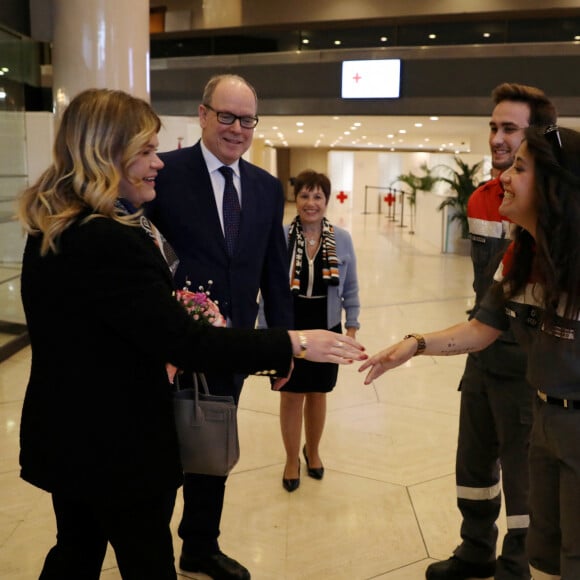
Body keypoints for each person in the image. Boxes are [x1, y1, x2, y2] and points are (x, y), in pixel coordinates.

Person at [16, 88, 367, 580]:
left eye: (249, 120)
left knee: (76, 547)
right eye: (145, 151)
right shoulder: (108, 237)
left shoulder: (54, 227)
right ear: (106, 155)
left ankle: (201, 544)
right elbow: (182, 338)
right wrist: (293, 342)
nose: (155, 163)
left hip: (74, 428)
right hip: (117, 438)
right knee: (140, 557)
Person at [360, 124, 580, 580]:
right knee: (546, 556)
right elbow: (482, 329)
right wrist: (415, 345)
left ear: (553, 185)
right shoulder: (520, 257)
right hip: (546, 425)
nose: (504, 175)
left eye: (520, 168)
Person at [145, 73, 293, 580]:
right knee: (164, 455)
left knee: (213, 449)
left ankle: (200, 547)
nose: (236, 128)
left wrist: (281, 350)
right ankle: (150, 554)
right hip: (170, 344)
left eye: (246, 119)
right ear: (203, 114)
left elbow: (275, 271)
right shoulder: (163, 173)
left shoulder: (267, 188)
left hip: (231, 346)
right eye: (226, 116)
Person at [425, 83, 557, 580]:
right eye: (493, 127)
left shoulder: (552, 209)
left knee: (524, 476)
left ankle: (517, 563)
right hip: (481, 349)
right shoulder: (483, 198)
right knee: (473, 462)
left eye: (510, 129)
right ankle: (475, 548)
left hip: (526, 364)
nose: (497, 138)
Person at [275, 170, 360, 492]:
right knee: (291, 393)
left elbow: (351, 286)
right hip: (290, 324)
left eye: (318, 196)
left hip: (327, 323)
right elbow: (268, 287)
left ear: (327, 200)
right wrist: (265, 331)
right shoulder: (281, 236)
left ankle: (313, 451)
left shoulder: (342, 238)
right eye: (305, 196)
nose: (311, 203)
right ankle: (290, 459)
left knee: (318, 392)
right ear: (295, 199)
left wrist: (352, 326)